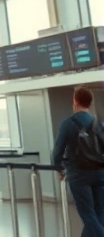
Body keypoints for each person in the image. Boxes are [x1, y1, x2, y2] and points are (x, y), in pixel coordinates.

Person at [52, 87, 104, 237]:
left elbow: (57, 152)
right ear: (90, 103)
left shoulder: (67, 124)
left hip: (79, 173)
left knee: (88, 215)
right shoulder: (99, 123)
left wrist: (58, 169)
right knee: (100, 212)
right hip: (100, 172)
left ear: (75, 101)